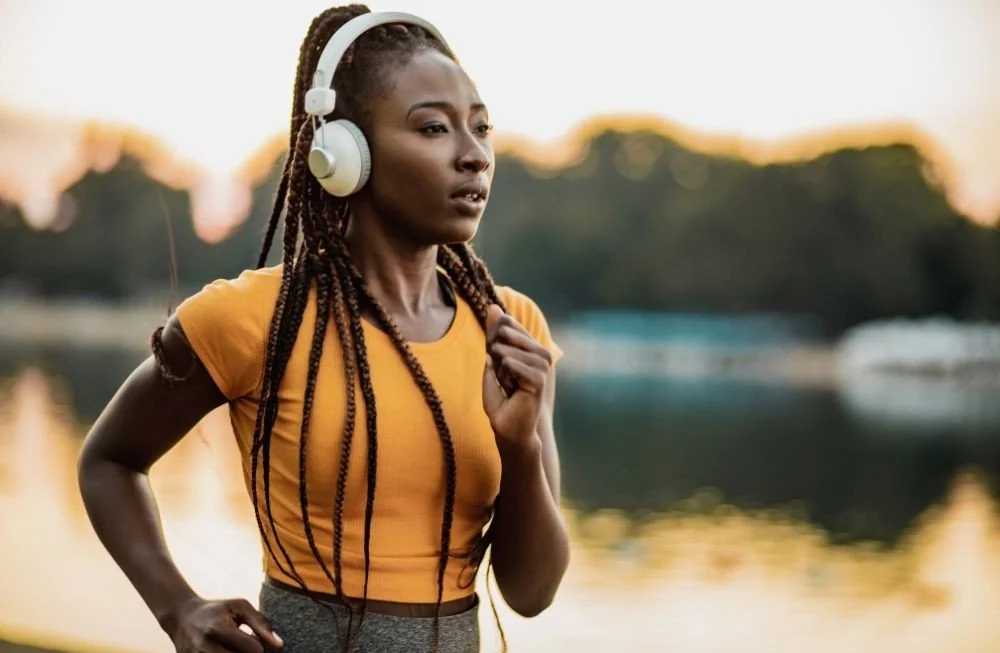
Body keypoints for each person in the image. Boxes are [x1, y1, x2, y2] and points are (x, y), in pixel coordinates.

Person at [76, 4, 570, 653]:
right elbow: (108, 461)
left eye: (481, 129)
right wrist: (177, 606)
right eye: (433, 128)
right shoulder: (252, 318)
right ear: (343, 154)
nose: (474, 156)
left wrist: (521, 447)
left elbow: (532, 593)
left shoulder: (512, 331)